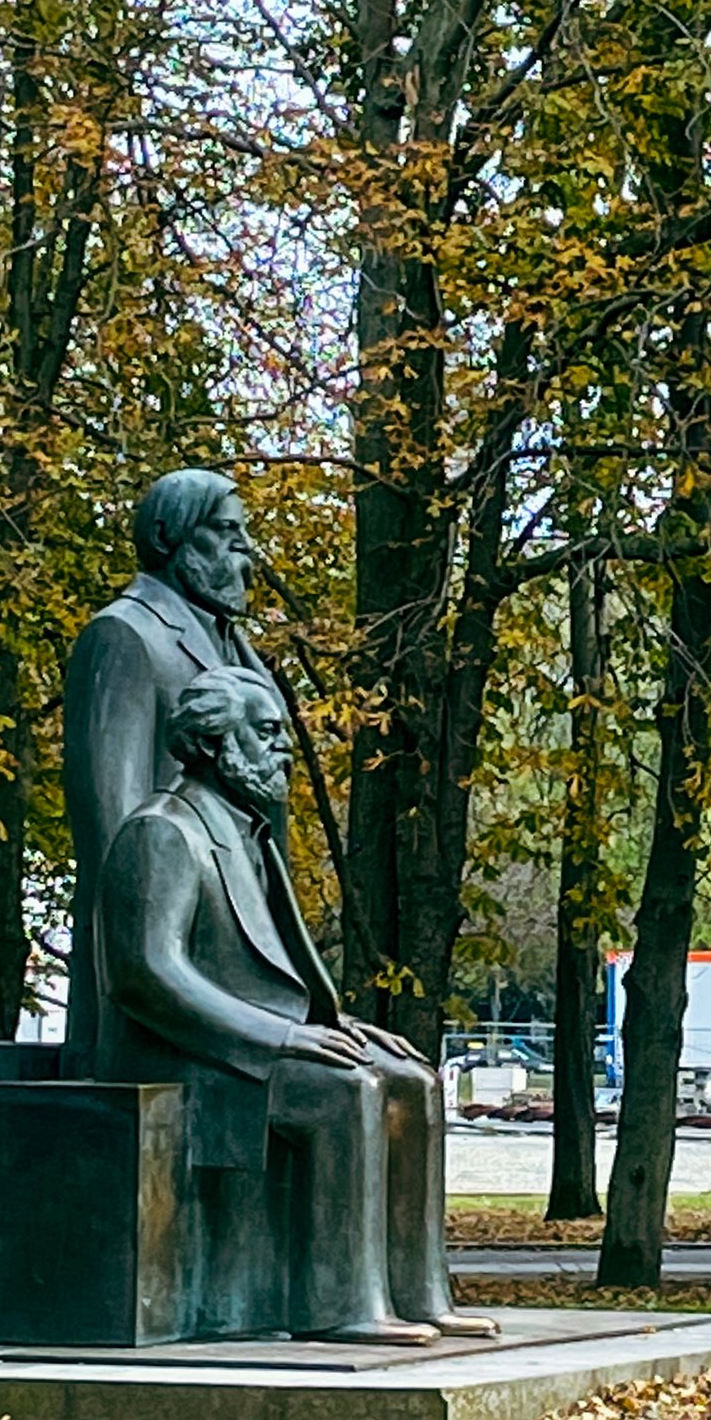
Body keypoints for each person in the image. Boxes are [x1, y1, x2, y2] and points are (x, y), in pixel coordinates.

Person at [95, 669, 497, 1345]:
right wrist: (280, 1037)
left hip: (247, 1044)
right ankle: (340, 1304)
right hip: (181, 1056)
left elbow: (268, 973)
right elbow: (147, 976)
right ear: (216, 742)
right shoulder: (162, 833)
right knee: (345, 1091)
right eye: (266, 731)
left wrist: (336, 1025)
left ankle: (419, 1292)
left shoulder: (245, 835)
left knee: (414, 1082)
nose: (284, 748)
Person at [62, 470, 295, 1076]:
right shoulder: (125, 634)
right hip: (167, 972)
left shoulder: (236, 648)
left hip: (240, 957)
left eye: (245, 533)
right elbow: (114, 835)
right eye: (225, 531)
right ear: (168, 535)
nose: (244, 549)